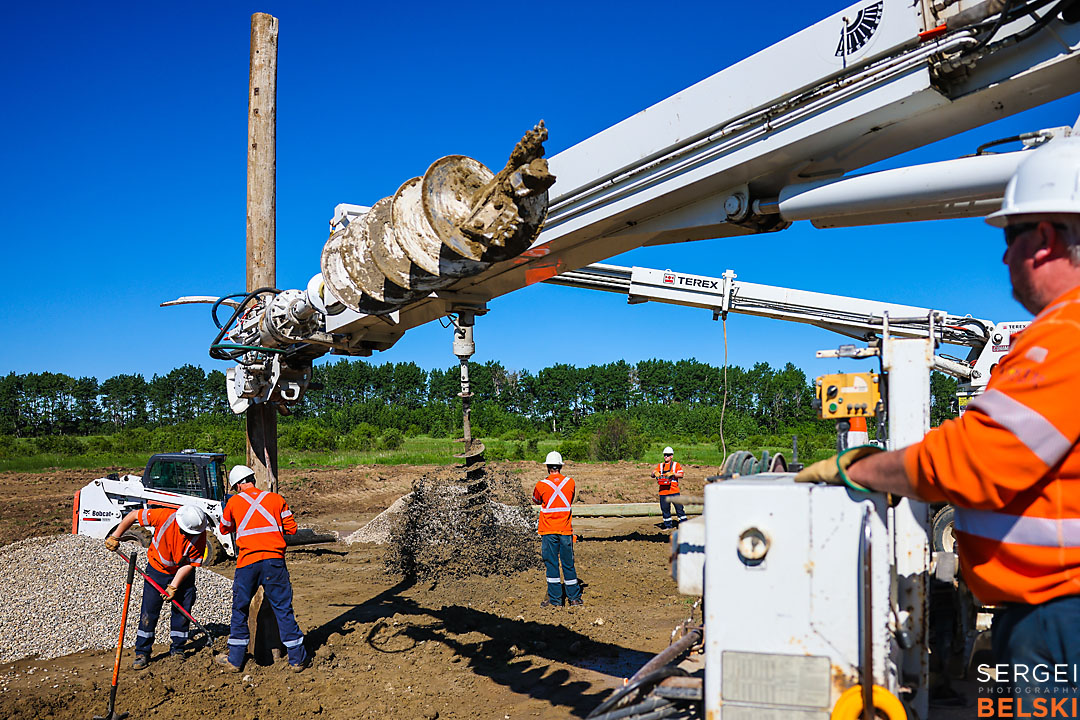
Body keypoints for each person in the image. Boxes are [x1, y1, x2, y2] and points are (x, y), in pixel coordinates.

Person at [796, 137, 1080, 697]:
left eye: (1009, 235)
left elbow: (971, 460)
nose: (1003, 256)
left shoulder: (1064, 338)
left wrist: (863, 466)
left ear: (1044, 238)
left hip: (1058, 615)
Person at [215, 464, 309, 673]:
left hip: (248, 563)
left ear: (238, 485)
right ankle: (296, 660)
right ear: (252, 479)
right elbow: (291, 528)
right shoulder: (276, 499)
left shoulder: (234, 502)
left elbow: (224, 528)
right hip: (274, 562)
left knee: (240, 609)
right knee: (283, 609)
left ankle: (235, 660)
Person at [104, 504, 208, 670]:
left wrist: (174, 586)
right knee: (149, 611)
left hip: (182, 574)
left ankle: (178, 649)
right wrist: (115, 536)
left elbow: (190, 564)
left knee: (182, 611)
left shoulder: (199, 535)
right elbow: (132, 515)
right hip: (157, 570)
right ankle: (142, 652)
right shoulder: (164, 517)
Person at [533, 451, 583, 607]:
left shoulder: (541, 485)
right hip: (565, 531)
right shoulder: (570, 483)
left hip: (548, 531)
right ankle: (574, 598)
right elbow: (570, 499)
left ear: (548, 467)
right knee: (568, 564)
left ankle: (555, 600)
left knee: (552, 564)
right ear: (560, 466)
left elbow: (536, 499)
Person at [652, 446, 688, 529]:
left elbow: (681, 474)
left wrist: (673, 474)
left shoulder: (676, 465)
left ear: (671, 456)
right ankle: (668, 526)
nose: (666, 457)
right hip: (663, 492)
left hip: (674, 491)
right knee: (665, 510)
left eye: (667, 455)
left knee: (679, 509)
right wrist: (654, 473)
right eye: (665, 455)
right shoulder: (661, 466)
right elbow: (652, 474)